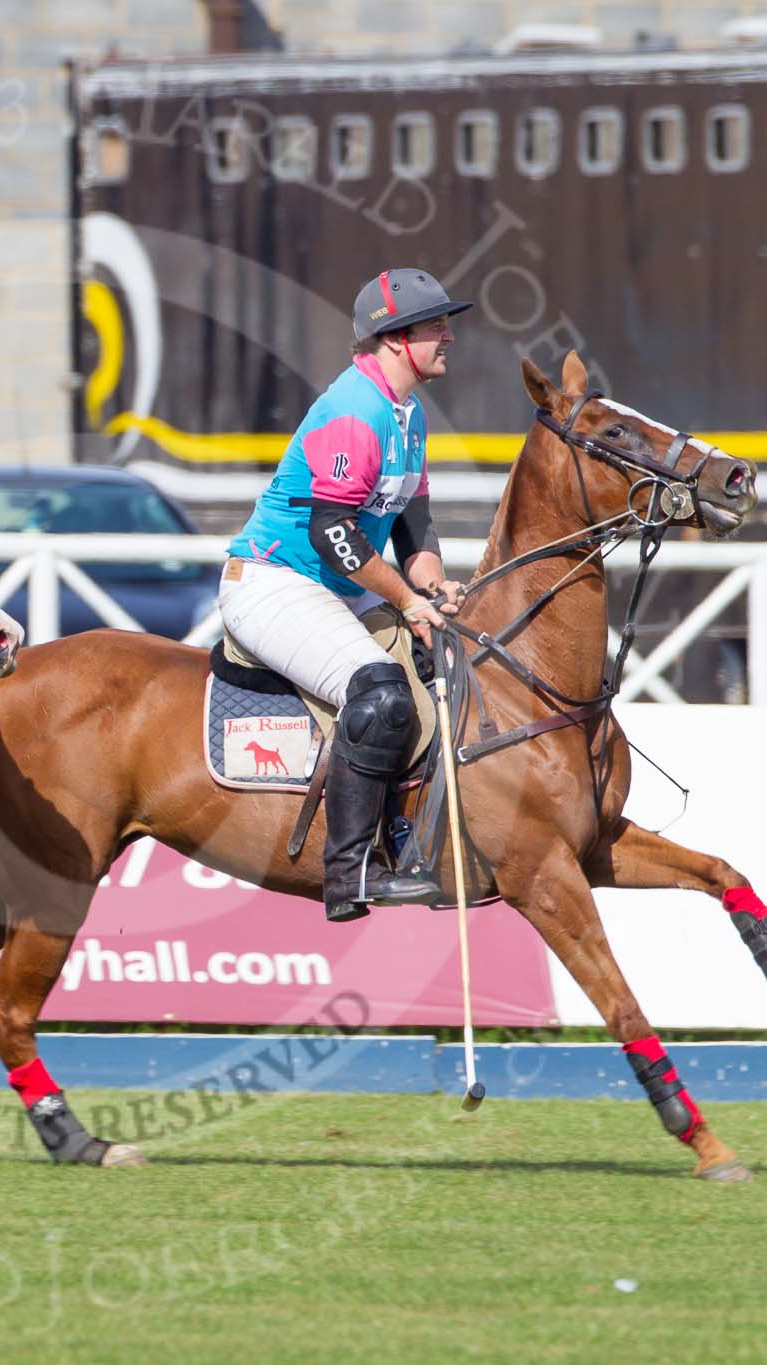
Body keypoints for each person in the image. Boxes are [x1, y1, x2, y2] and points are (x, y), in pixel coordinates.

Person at [217, 266, 472, 922]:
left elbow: (414, 523)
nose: (448, 335)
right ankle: (350, 872)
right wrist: (407, 603)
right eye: (433, 325)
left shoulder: (408, 412)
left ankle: (407, 837)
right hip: (275, 582)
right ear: (393, 339)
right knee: (381, 692)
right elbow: (333, 532)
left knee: (441, 670)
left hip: (335, 585)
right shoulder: (353, 412)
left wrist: (435, 586)